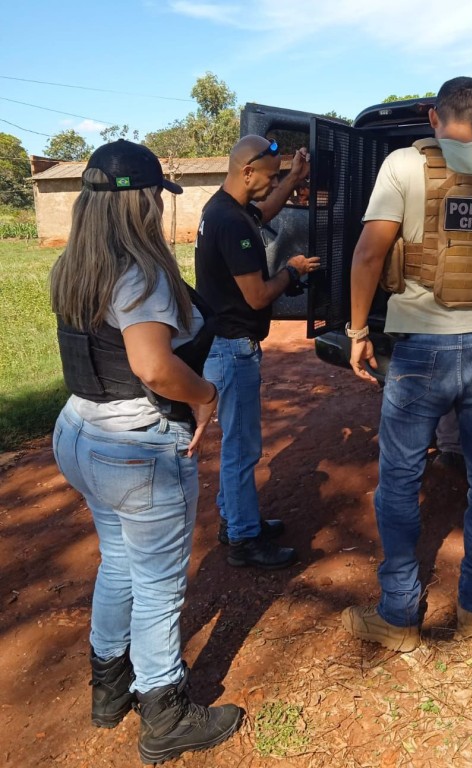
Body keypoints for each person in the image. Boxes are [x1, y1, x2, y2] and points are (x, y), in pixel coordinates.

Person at [342, 77, 472, 651]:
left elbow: (369, 253)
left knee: (399, 479)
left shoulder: (404, 166)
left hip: (420, 348)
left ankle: (398, 615)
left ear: (434, 117)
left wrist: (358, 331)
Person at [50, 140, 243, 764]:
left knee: (119, 563)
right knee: (158, 585)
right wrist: (206, 396)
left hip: (79, 431)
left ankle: (109, 689)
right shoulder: (140, 272)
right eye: (158, 194)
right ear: (143, 201)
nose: (162, 204)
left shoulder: (74, 266)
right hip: (135, 444)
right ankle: (165, 712)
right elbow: (154, 367)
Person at [195, 136, 320, 569]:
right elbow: (258, 296)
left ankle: (235, 519)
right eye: (268, 177)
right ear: (247, 172)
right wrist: (292, 270)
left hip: (225, 344)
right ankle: (244, 540)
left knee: (237, 443)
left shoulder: (224, 208)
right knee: (241, 449)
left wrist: (293, 177)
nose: (271, 184)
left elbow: (265, 211)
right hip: (232, 349)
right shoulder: (230, 223)